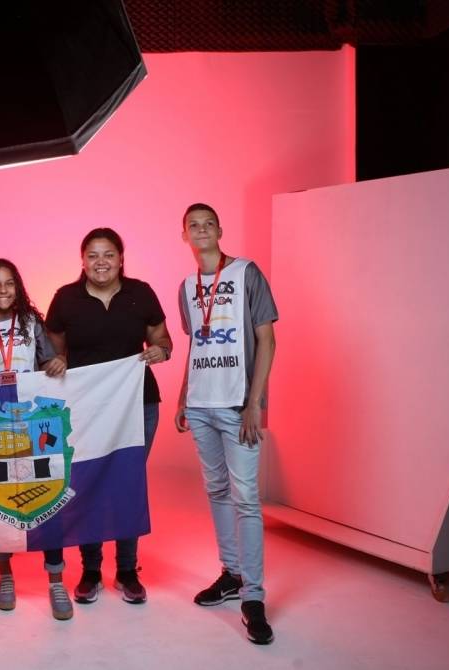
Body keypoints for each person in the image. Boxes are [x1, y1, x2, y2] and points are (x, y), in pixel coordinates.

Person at [44, 228, 172, 606]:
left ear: (121, 258)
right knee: (88, 481)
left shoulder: (141, 293)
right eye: (93, 255)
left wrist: (161, 352)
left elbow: (162, 340)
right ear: (82, 260)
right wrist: (59, 362)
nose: (101, 262)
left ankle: (128, 570)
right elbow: (55, 351)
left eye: (108, 254)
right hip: (85, 407)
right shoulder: (65, 298)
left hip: (138, 404)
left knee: (126, 483)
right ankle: (91, 569)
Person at [174, 203, 277, 645]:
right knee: (217, 491)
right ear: (185, 236)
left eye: (207, 224)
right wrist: (183, 396)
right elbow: (197, 344)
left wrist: (256, 403)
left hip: (237, 405)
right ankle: (231, 574)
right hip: (200, 405)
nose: (201, 231)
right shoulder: (185, 286)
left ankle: (254, 597)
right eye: (192, 226)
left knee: (247, 499)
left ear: (219, 229)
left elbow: (267, 339)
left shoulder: (246, 273)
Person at [0, 258, 71, 620]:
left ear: (18, 287)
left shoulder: (33, 323)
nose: (2, 290)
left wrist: (58, 362)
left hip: (35, 422)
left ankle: (55, 578)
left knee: (50, 494)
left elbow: (52, 361)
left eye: (8, 283)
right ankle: (5, 574)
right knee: (1, 497)